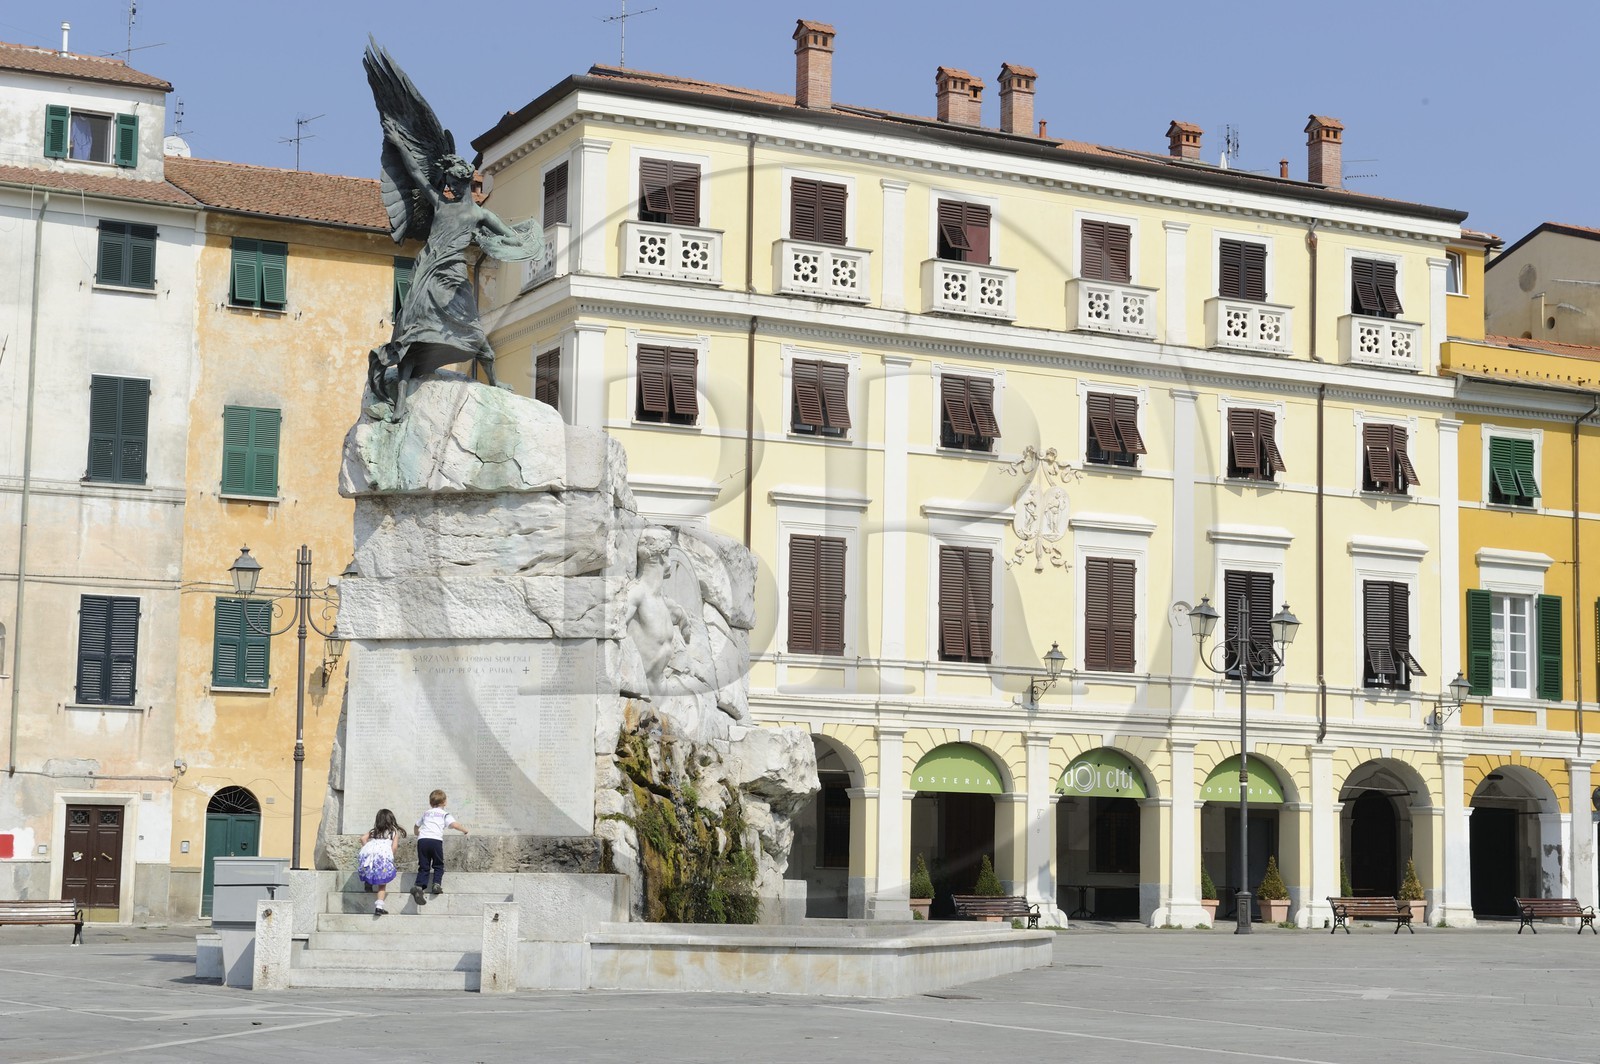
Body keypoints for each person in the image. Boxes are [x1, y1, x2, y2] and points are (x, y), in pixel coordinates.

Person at [411, 789, 468, 906]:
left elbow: (416, 825)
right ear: (445, 802)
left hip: (422, 840)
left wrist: (417, 833)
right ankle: (436, 884)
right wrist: (465, 830)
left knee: (424, 865)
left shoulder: (426, 813)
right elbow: (454, 824)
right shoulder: (445, 814)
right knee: (438, 864)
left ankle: (419, 886)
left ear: (430, 803)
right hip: (435, 841)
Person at [357, 809, 405, 917]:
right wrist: (390, 857)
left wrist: (367, 847)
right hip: (382, 858)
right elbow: (394, 847)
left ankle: (368, 882)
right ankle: (379, 907)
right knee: (382, 884)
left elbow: (363, 838)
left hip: (370, 856)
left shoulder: (374, 831)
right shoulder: (393, 832)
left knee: (370, 868)